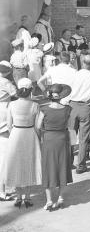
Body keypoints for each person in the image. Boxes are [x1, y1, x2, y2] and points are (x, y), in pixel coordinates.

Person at [3, 78, 41, 208]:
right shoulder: (35, 105)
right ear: (31, 90)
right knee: (30, 164)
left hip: (16, 134)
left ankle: (18, 197)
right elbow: (37, 126)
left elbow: (8, 125)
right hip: (30, 133)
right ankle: (28, 197)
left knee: (16, 164)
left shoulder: (11, 105)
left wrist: (14, 132)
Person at [37, 84, 73, 211]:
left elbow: (38, 126)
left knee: (48, 168)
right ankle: (61, 198)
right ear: (61, 95)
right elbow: (69, 126)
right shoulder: (67, 109)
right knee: (62, 166)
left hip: (48, 139)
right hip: (62, 139)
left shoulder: (44, 109)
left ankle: (49, 201)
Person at [0, 62, 16, 201]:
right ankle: (2, 190)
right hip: (3, 112)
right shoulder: (5, 81)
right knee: (4, 158)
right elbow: (15, 93)